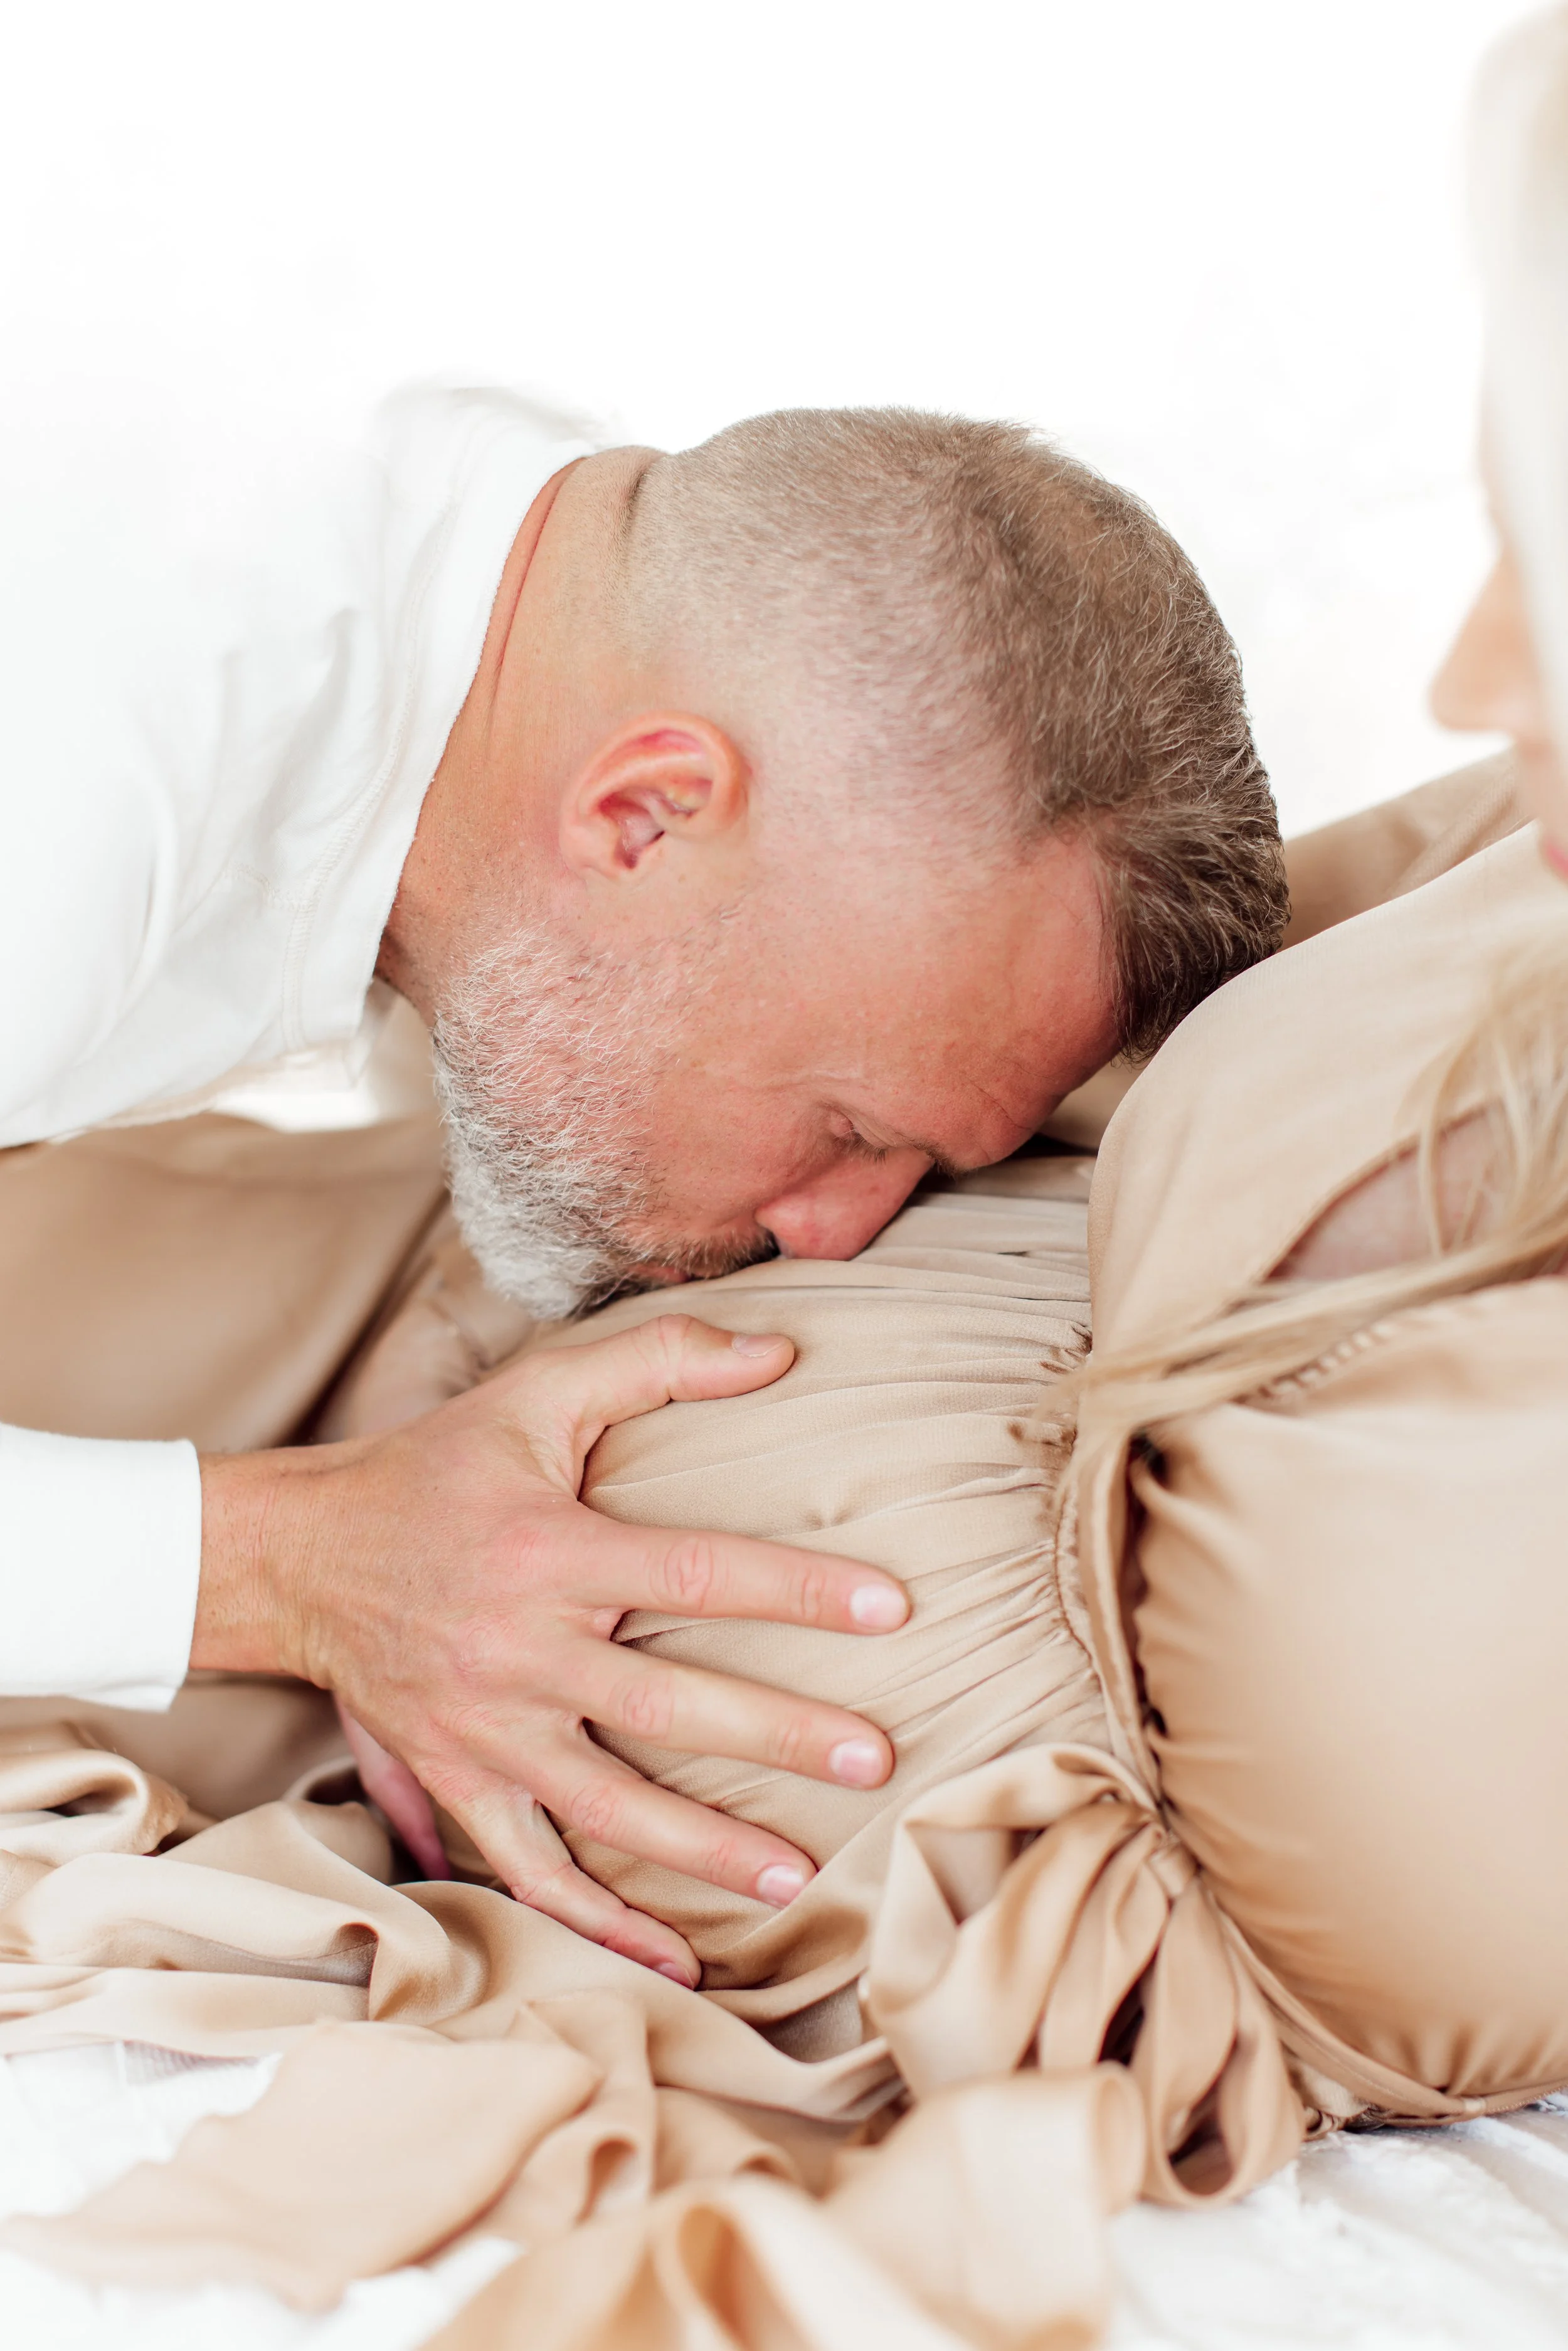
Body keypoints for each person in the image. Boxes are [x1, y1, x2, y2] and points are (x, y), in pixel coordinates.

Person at [0, 391, 1286, 1977]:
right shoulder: (68, 782)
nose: (838, 1225)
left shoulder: (530, 605)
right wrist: (302, 1568)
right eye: (847, 1120)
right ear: (644, 813)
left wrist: (464, 1323)